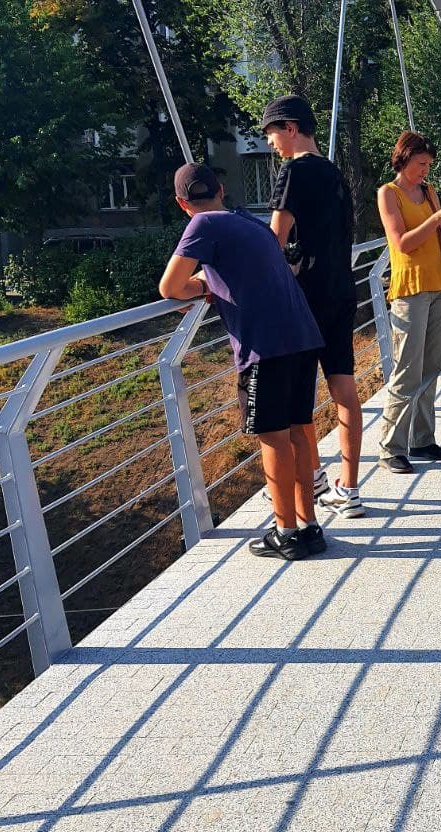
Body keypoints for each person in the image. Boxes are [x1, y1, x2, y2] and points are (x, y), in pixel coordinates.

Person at [159, 163, 325, 561]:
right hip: (302, 336)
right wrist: (212, 282)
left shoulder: (202, 225)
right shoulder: (249, 221)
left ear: (183, 204)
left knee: (274, 437)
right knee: (300, 431)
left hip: (263, 346)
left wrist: (201, 287)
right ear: (221, 188)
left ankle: (284, 532)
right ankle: (309, 526)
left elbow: (170, 288)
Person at [261, 94, 364, 520]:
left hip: (305, 299)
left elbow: (273, 243)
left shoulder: (293, 172)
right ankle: (351, 489)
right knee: (344, 388)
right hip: (342, 289)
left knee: (299, 396)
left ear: (289, 127)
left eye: (271, 135)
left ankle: (313, 476)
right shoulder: (335, 174)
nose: (271, 144)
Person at [377, 131, 441, 474]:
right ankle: (391, 447)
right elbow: (402, 243)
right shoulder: (388, 194)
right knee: (407, 370)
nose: (425, 171)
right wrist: (436, 217)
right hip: (410, 289)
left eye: (428, 165)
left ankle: (421, 438)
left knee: (432, 366)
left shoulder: (429, 191)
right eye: (420, 164)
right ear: (404, 159)